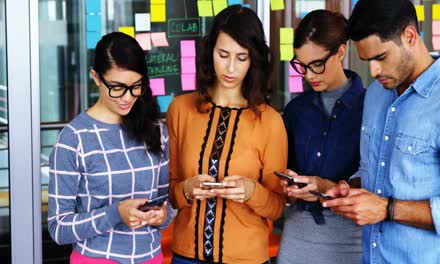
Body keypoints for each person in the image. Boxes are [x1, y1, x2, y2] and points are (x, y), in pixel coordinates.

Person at [322, 0, 440, 263]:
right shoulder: (377, 94)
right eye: (367, 61)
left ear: (410, 36)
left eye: (381, 57)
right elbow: (376, 171)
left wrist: (387, 209)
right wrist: (351, 189)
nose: (373, 71)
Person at [166, 5, 287, 264]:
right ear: (210, 51)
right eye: (223, 54)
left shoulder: (270, 121)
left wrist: (252, 191)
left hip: (247, 259)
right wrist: (186, 190)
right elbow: (168, 193)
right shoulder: (180, 109)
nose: (230, 68)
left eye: (241, 58)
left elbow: (277, 207)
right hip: (185, 257)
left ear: (253, 59)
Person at [47, 32, 172, 264]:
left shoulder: (156, 129)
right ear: (96, 77)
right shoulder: (74, 138)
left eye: (136, 86)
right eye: (117, 87)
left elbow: (165, 203)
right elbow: (58, 227)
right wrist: (115, 214)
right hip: (97, 259)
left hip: (150, 257)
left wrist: (162, 215)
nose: (127, 97)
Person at [276, 10, 364, 264]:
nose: (308, 75)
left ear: (340, 52)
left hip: (350, 243)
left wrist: (328, 187)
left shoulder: (371, 108)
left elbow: (379, 183)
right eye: (301, 65)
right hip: (296, 239)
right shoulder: (296, 110)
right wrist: (290, 187)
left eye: (316, 64)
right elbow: (286, 182)